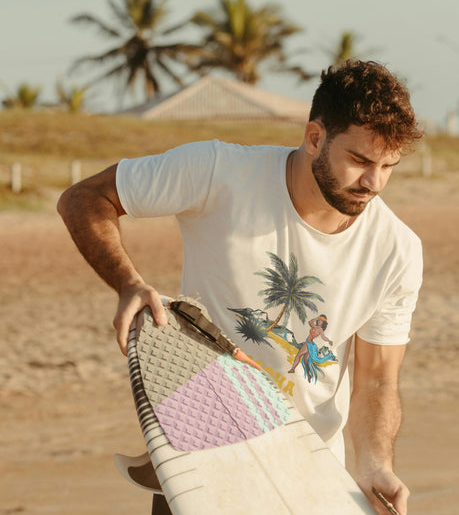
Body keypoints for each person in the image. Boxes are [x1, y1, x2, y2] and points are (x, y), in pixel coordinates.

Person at [58, 59, 423, 515]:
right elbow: (84, 198)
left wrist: (375, 464)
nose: (374, 182)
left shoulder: (397, 251)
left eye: (388, 166)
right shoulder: (218, 171)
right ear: (315, 138)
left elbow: (376, 379)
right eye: (360, 161)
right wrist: (128, 284)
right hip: (199, 464)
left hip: (306, 475)